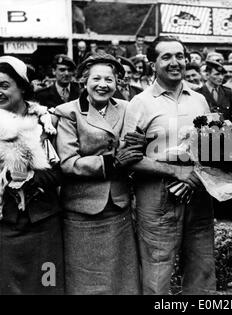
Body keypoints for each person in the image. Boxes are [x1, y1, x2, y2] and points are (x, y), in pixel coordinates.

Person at [125, 35, 216, 295]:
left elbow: (211, 147)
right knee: (157, 268)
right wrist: (175, 171)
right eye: (166, 57)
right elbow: (128, 158)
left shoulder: (199, 99)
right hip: (157, 197)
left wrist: (198, 175)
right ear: (153, 64)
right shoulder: (140, 104)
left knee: (202, 265)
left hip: (198, 193)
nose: (175, 62)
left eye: (180, 56)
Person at [54, 53, 143, 295]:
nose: (102, 85)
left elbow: (132, 147)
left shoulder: (126, 108)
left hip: (118, 205)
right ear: (84, 81)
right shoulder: (68, 112)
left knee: (121, 276)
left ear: (118, 84)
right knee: (84, 276)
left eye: (109, 80)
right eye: (96, 79)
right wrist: (111, 162)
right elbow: (68, 162)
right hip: (82, 207)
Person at [0, 56, 64, 294]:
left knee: (48, 282)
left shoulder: (46, 121)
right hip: (2, 221)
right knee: (2, 286)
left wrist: (30, 178)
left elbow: (60, 171)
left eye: (4, 85)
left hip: (43, 222)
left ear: (22, 86)